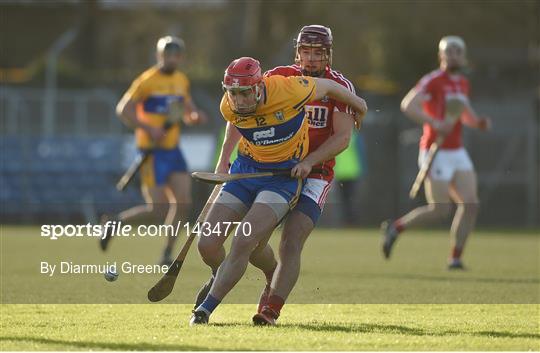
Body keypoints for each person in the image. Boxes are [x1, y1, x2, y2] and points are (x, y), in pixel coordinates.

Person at [190, 56, 367, 325]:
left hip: (281, 179)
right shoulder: (229, 106)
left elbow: (329, 87)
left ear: (259, 86)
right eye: (233, 93)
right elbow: (233, 128)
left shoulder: (288, 88)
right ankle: (223, 272)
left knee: (243, 240)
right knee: (207, 243)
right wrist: (224, 159)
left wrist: (359, 105)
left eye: (245, 93)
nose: (238, 100)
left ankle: (205, 309)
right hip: (246, 172)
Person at [251, 24, 360, 325]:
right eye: (306, 52)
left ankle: (271, 309)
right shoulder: (278, 78)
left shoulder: (339, 86)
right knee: (253, 240)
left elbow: (342, 137)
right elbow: (246, 112)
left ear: (329, 55)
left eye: (318, 53)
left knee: (291, 240)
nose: (311, 59)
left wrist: (310, 161)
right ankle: (271, 277)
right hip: (277, 171)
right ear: (297, 53)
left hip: (316, 174)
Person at [381, 36, 491, 269]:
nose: (453, 56)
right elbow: (408, 104)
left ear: (463, 56)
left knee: (471, 204)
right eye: (448, 52)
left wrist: (478, 122)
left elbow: (463, 114)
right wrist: (434, 122)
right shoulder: (433, 81)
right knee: (440, 209)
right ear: (441, 56)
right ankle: (396, 227)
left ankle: (455, 258)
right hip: (435, 149)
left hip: (456, 150)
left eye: (457, 52)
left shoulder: (462, 83)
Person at [101, 36, 206, 265]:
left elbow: (187, 111)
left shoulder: (181, 80)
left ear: (180, 58)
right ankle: (115, 222)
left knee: (183, 203)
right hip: (151, 152)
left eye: (175, 55)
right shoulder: (146, 81)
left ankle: (167, 254)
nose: (171, 59)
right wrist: (149, 128)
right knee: (158, 209)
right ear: (159, 56)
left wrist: (194, 117)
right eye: (167, 55)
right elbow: (123, 110)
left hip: (173, 151)